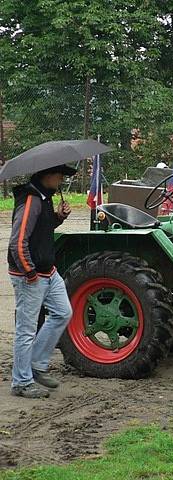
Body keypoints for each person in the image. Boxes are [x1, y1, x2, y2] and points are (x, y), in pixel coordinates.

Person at [8, 165, 75, 398]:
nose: (61, 180)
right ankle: (21, 382)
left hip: (48, 271)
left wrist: (59, 217)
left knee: (63, 313)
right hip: (31, 275)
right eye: (59, 175)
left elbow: (42, 230)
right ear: (47, 176)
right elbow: (18, 242)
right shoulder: (30, 200)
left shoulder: (44, 198)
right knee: (26, 330)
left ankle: (35, 365)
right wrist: (30, 273)